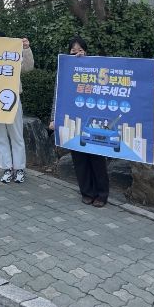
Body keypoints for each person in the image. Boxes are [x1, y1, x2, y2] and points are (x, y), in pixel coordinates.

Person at [49, 36, 110, 208]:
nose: (76, 54)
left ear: (86, 52)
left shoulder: (97, 69)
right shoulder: (65, 70)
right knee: (79, 159)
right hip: (73, 122)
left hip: (94, 122)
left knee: (97, 157)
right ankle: (87, 192)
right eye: (73, 51)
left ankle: (102, 194)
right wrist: (53, 118)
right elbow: (57, 95)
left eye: (80, 50)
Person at [0, 29, 34, 184]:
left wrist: (26, 49)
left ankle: (19, 168)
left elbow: (28, 67)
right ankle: (7, 168)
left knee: (16, 135)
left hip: (12, 99)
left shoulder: (12, 54)